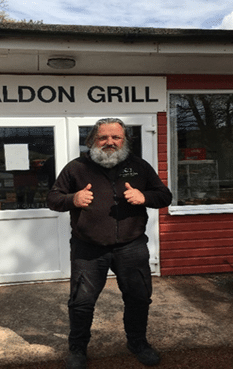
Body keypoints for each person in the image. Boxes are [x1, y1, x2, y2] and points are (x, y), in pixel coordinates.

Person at [47, 118, 172, 369]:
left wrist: (144, 196)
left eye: (116, 137)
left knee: (138, 298)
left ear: (125, 140)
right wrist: (73, 199)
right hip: (88, 248)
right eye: (103, 137)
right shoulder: (76, 168)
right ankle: (78, 349)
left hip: (131, 245)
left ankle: (137, 343)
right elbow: (52, 198)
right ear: (92, 140)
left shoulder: (139, 167)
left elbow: (164, 196)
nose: (109, 142)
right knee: (81, 302)